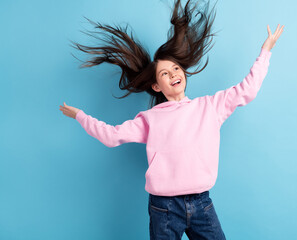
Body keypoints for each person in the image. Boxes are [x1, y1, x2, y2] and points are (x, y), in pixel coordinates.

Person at [60, 0, 284, 239]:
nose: (173, 75)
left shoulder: (210, 106)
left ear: (183, 73)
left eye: (176, 69)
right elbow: (112, 136)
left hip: (201, 202)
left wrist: (265, 52)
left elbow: (246, 90)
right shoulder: (150, 119)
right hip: (164, 207)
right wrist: (80, 116)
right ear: (157, 85)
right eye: (164, 74)